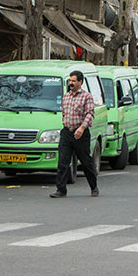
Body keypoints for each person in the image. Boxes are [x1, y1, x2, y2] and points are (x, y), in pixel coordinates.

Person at [50, 70, 99, 198]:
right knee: (63, 162)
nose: (71, 83)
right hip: (67, 132)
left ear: (80, 82)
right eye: (70, 81)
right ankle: (61, 189)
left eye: (74, 81)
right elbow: (64, 114)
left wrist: (82, 128)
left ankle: (94, 187)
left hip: (81, 133)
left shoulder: (86, 96)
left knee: (86, 162)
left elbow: (90, 114)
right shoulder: (66, 96)